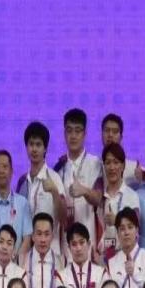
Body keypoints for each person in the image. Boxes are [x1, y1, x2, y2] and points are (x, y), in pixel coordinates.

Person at [54, 109, 102, 254]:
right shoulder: (59, 167)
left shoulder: (95, 164)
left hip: (88, 239)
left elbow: (100, 199)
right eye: (69, 131)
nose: (73, 136)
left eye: (77, 131)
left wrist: (84, 191)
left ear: (85, 134)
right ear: (64, 134)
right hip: (65, 243)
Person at [14, 121, 65, 254]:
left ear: (45, 148)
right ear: (26, 147)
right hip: (27, 252)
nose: (34, 149)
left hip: (51, 251)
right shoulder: (22, 182)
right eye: (31, 144)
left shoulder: (54, 178)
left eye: (38, 144)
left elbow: (64, 218)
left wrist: (54, 192)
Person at [96, 143, 140, 263]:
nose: (112, 167)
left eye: (116, 162)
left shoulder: (132, 196)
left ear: (123, 165)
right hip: (103, 260)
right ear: (104, 166)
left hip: (125, 259)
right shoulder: (100, 198)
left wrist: (117, 221)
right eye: (108, 163)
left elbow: (137, 230)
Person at [59, 223, 108, 288]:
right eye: (74, 244)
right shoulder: (61, 277)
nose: (78, 248)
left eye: (82, 243)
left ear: (89, 244)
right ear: (69, 247)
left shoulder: (101, 274)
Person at [22, 213, 62, 288]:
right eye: (39, 234)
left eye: (46, 234)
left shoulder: (62, 262)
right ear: (32, 236)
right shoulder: (21, 261)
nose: (43, 239)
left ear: (52, 236)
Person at [100, 113, 144, 185]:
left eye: (115, 131)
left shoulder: (133, 167)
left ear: (121, 137)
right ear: (101, 135)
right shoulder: (94, 164)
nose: (110, 135)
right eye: (107, 130)